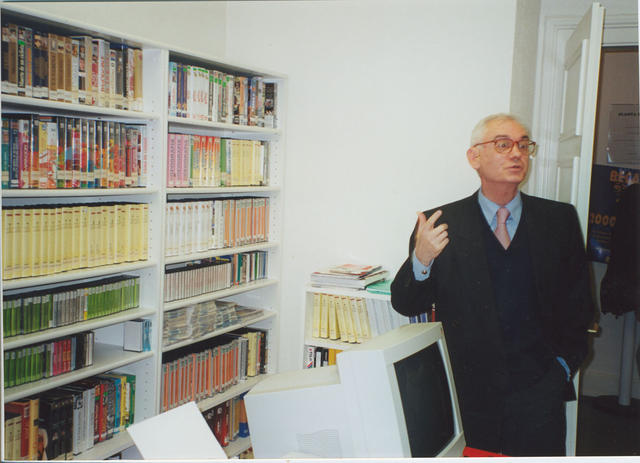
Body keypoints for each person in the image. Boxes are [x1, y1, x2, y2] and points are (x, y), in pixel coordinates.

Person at [390, 113, 595, 456]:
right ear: (474, 157)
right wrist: (421, 259)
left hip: (540, 396)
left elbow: (580, 308)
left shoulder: (559, 220)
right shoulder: (440, 222)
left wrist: (560, 371)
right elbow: (406, 304)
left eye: (524, 145)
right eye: (503, 145)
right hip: (467, 398)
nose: (517, 153)